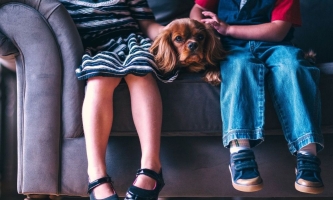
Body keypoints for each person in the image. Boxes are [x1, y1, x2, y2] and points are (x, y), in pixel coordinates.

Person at [190, 0, 324, 194]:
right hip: (233, 48)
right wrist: (203, 29)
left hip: (276, 46)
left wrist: (228, 29)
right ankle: (240, 151)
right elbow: (199, 8)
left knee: (293, 68)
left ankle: (307, 153)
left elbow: (278, 30)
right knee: (238, 67)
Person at [59, 0, 172, 199]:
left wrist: (169, 32)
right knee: (99, 79)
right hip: (94, 45)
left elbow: (147, 24)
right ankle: (97, 176)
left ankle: (151, 167)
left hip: (131, 40)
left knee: (140, 72)